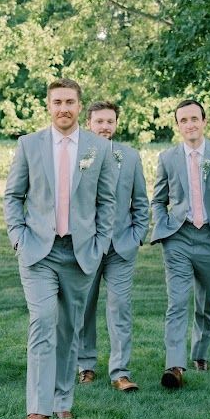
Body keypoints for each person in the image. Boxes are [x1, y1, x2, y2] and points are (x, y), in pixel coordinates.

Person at [4, 78, 117, 419]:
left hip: (81, 252)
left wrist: (98, 243)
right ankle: (37, 411)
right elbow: (12, 196)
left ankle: (62, 403)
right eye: (57, 102)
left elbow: (107, 202)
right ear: (48, 106)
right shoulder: (28, 145)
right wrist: (19, 237)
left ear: (79, 106)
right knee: (42, 323)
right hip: (38, 251)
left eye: (69, 101)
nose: (63, 108)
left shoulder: (97, 148)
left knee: (69, 329)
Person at [151, 98, 210, 388]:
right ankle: (174, 366)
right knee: (177, 302)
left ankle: (200, 352)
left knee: (206, 302)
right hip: (178, 237)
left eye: (194, 119)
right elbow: (158, 200)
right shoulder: (167, 158)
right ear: (177, 126)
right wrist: (163, 228)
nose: (189, 125)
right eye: (183, 120)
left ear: (204, 121)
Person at [77, 100, 149, 392]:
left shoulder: (129, 156)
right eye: (99, 122)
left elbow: (141, 202)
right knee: (83, 308)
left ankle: (120, 371)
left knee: (119, 307)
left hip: (121, 247)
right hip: (86, 246)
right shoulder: (79, 155)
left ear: (116, 124)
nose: (105, 127)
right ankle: (85, 365)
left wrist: (137, 236)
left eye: (110, 121)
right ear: (89, 124)